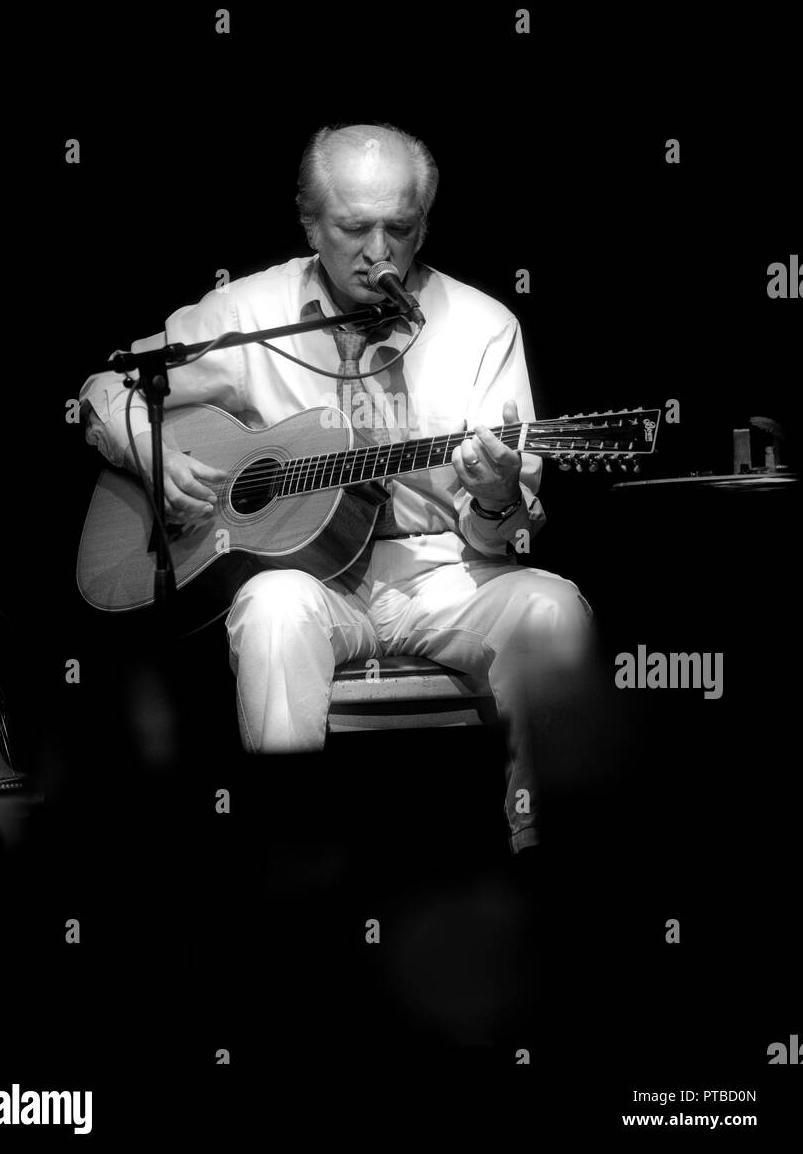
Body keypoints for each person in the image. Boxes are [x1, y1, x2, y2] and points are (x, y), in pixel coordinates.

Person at [80, 122, 592, 855]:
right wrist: (150, 456)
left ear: (424, 225)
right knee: (269, 607)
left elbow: (499, 540)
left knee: (554, 608)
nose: (379, 252)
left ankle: (548, 849)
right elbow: (107, 389)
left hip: (447, 573)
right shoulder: (248, 314)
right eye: (354, 228)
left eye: (401, 228)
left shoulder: (484, 327)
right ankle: (289, 859)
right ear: (310, 221)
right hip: (311, 579)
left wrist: (495, 497)